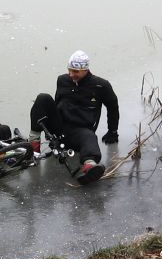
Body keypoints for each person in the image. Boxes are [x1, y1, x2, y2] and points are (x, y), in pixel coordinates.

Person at [29, 50, 119, 185]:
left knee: (90, 137)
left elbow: (113, 107)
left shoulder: (101, 85)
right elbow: (57, 103)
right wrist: (49, 130)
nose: (71, 74)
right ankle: (33, 149)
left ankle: (90, 165)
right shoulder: (62, 80)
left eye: (75, 71)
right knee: (43, 98)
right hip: (59, 126)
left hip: (80, 131)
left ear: (85, 70)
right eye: (69, 70)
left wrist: (113, 131)